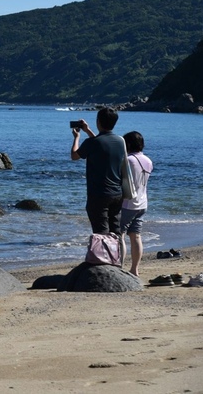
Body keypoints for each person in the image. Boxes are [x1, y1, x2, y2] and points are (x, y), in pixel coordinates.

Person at [70, 107, 126, 236]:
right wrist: (87, 130)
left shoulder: (92, 143)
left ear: (98, 121)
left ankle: (104, 256)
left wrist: (76, 138)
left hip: (98, 195)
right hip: (117, 193)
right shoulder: (120, 141)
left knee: (101, 234)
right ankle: (117, 255)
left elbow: (74, 156)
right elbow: (102, 143)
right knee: (115, 232)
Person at [121, 130, 153, 277]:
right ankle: (135, 269)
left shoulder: (128, 160)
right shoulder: (148, 160)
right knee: (136, 236)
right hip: (142, 203)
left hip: (128, 203)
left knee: (119, 235)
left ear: (127, 144)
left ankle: (119, 266)